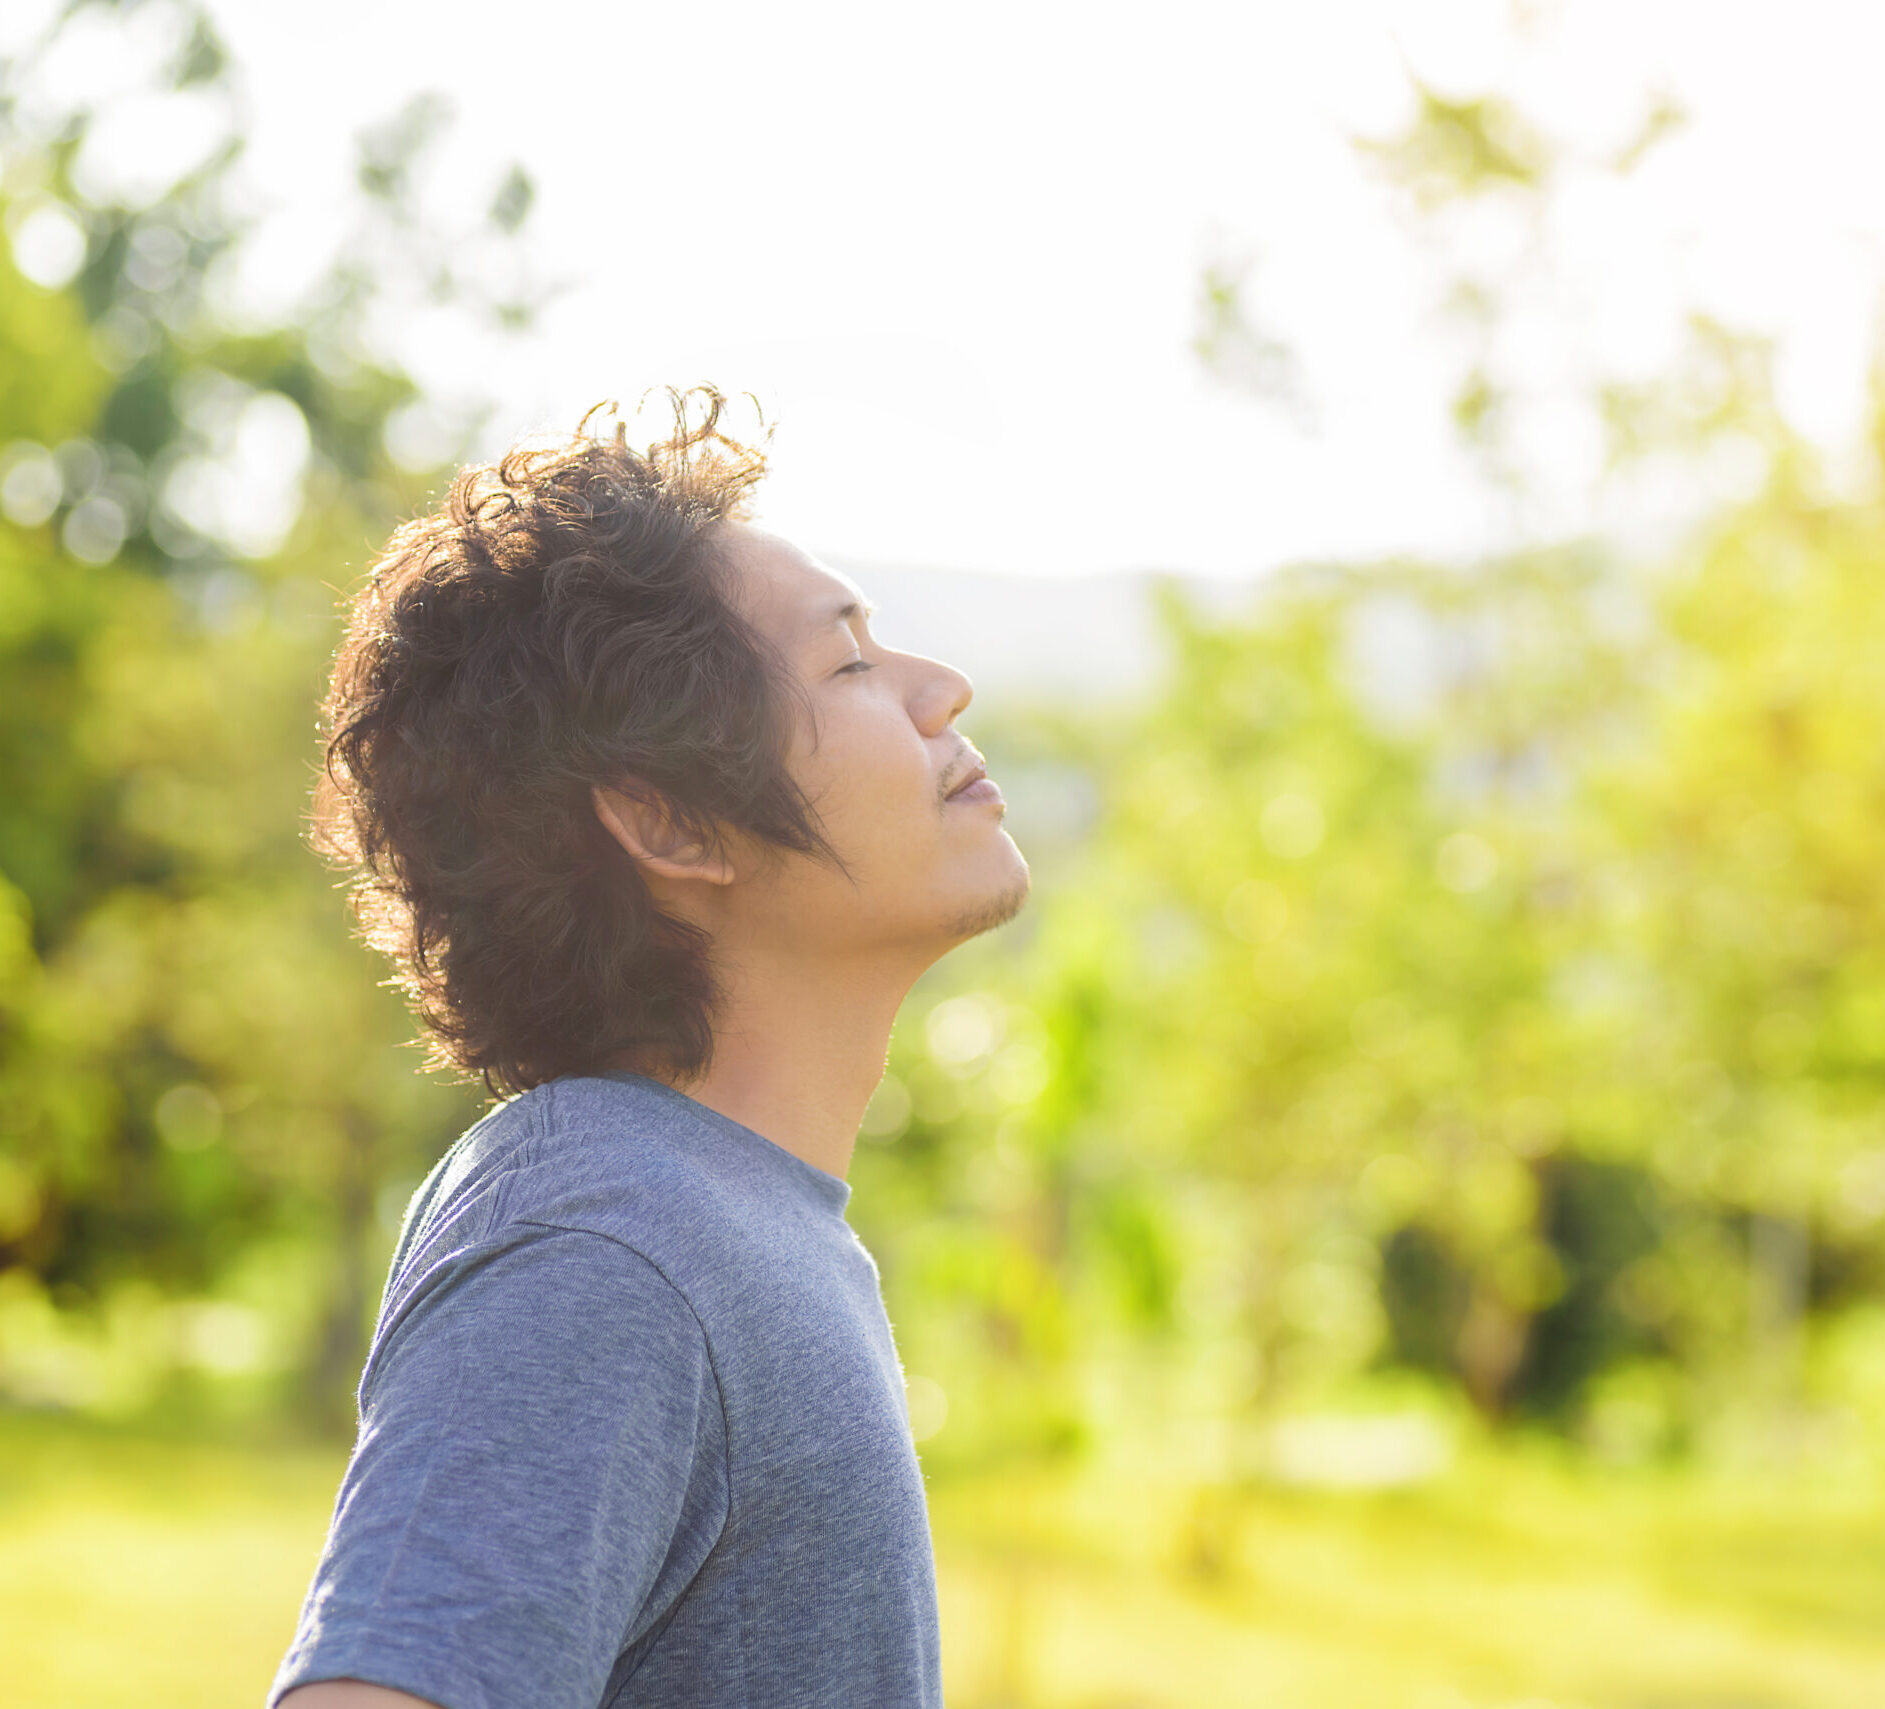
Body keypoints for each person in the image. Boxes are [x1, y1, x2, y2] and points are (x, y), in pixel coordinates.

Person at [271, 387, 1030, 1709]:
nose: (939, 688)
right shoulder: (606, 1237)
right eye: (849, 664)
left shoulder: (716, 1215)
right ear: (673, 824)